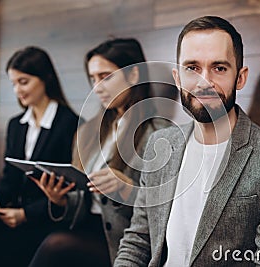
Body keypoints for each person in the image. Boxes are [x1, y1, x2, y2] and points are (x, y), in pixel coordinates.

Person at [114, 16, 260, 266]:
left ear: (240, 78)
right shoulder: (159, 143)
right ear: (178, 77)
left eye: (219, 68)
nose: (205, 82)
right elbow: (138, 241)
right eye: (192, 68)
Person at [28, 38, 170, 267]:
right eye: (93, 78)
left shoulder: (160, 134)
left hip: (124, 239)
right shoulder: (88, 132)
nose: (97, 87)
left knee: (55, 246)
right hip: (87, 227)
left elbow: (163, 209)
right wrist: (60, 200)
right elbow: (83, 201)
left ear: (133, 75)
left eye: (105, 77)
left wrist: (125, 189)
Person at [0, 46, 79, 267]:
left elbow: (73, 190)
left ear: (45, 79)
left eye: (23, 82)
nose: (17, 90)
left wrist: (26, 214)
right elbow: (9, 180)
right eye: (13, 83)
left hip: (47, 219)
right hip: (14, 215)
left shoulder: (71, 124)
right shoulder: (16, 125)